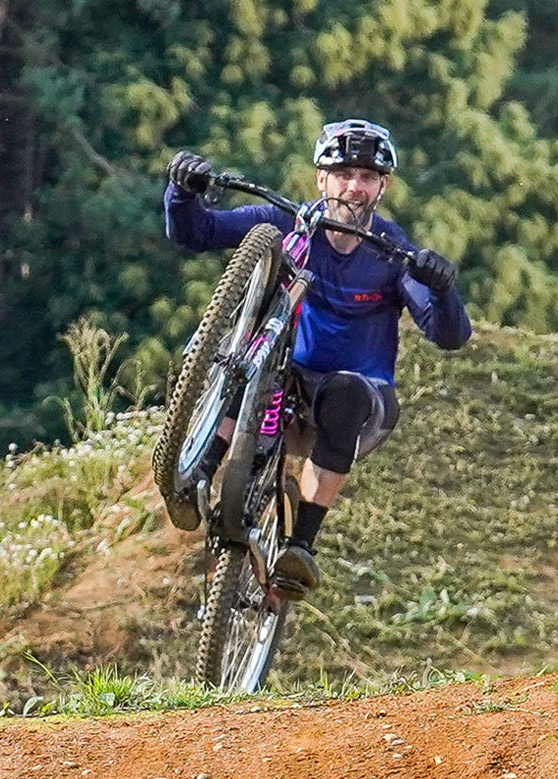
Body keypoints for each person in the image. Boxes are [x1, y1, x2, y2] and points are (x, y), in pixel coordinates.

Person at [161, 119, 469, 595]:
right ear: (320, 178)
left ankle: (301, 546)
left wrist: (443, 288)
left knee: (346, 393)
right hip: (282, 382)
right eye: (343, 173)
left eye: (367, 177)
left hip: (354, 406)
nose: (354, 186)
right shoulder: (286, 225)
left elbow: (448, 334)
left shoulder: (391, 253)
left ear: (383, 187)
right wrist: (182, 192)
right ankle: (197, 475)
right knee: (243, 365)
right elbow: (197, 232)